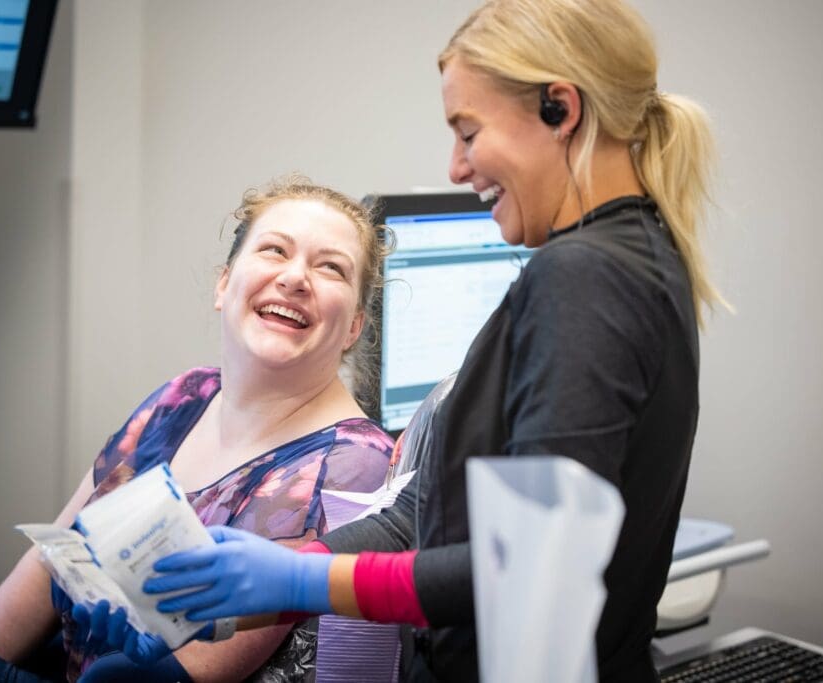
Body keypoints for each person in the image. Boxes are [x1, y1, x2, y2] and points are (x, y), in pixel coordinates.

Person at [132, 1, 727, 681]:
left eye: (468, 132)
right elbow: (434, 512)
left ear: (561, 109)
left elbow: (527, 565)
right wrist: (279, 574)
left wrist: (302, 587)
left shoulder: (583, 276)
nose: (456, 166)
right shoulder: (646, 253)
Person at [0, 177, 397, 682]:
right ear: (224, 285)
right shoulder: (184, 396)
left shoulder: (353, 464)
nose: (295, 278)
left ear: (354, 325)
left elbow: (194, 671)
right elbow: (51, 560)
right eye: (274, 250)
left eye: (330, 267)